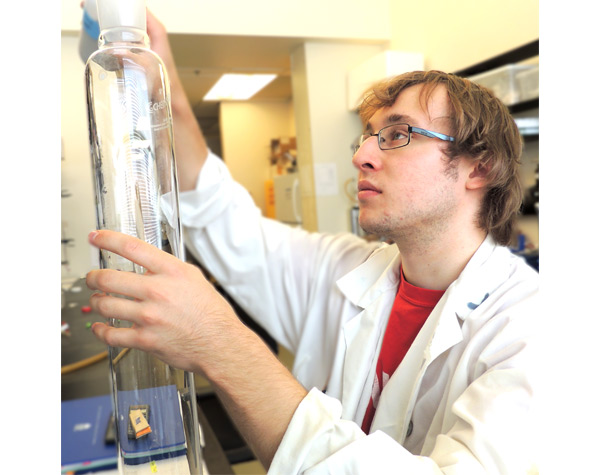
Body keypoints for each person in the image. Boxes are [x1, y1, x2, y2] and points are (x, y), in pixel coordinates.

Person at [86, 11, 540, 474]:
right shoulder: (345, 269)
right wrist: (167, 90)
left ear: (479, 168)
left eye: (398, 135)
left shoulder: (533, 328)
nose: (361, 155)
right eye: (367, 137)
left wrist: (219, 342)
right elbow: (223, 218)